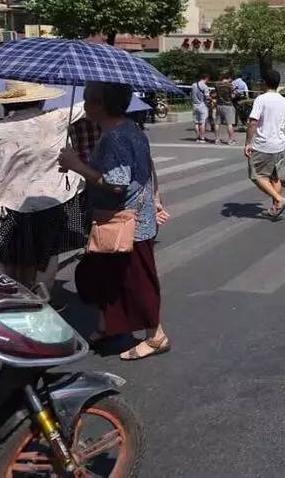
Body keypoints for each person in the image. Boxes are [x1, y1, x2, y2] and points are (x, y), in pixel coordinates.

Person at [59, 81, 171, 361]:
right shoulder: (128, 128)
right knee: (107, 277)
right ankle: (107, 325)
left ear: (100, 104)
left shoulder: (115, 137)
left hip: (126, 222)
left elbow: (117, 183)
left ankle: (156, 336)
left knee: (135, 281)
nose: (83, 105)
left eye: (87, 99)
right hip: (126, 218)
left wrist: (77, 166)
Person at [0, 82, 84, 292]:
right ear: (41, 100)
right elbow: (85, 106)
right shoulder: (57, 118)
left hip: (12, 202)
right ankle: (43, 295)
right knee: (48, 252)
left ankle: (16, 295)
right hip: (53, 199)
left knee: (11, 253)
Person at [243, 69, 285, 219]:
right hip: (279, 145)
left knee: (256, 175)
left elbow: (253, 122)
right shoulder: (283, 100)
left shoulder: (261, 99)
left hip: (263, 145)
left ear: (264, 82)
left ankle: (279, 199)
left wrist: (248, 143)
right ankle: (276, 208)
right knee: (274, 177)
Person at [214, 77, 237, 145]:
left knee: (217, 123)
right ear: (228, 78)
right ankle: (230, 140)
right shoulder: (230, 85)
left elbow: (215, 94)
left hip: (219, 105)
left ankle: (217, 139)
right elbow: (233, 96)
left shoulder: (217, 85)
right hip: (228, 105)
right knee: (229, 124)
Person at [190, 73, 211, 143]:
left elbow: (191, 94)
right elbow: (207, 97)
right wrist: (211, 98)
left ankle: (197, 137)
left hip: (194, 105)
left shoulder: (193, 85)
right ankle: (202, 138)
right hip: (202, 105)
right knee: (202, 123)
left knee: (196, 123)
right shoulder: (205, 86)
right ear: (206, 78)